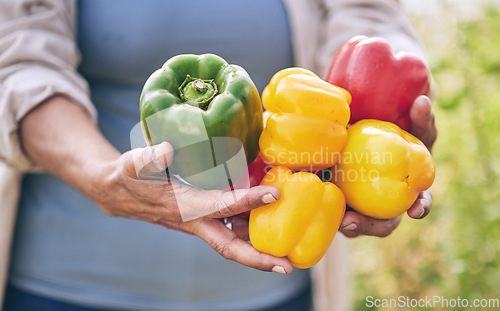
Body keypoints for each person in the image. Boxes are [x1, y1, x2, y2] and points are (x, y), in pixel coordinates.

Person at [0, 0, 437, 310]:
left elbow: (366, 16)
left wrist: (383, 124)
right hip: (61, 290)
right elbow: (19, 59)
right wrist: (98, 175)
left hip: (272, 289)